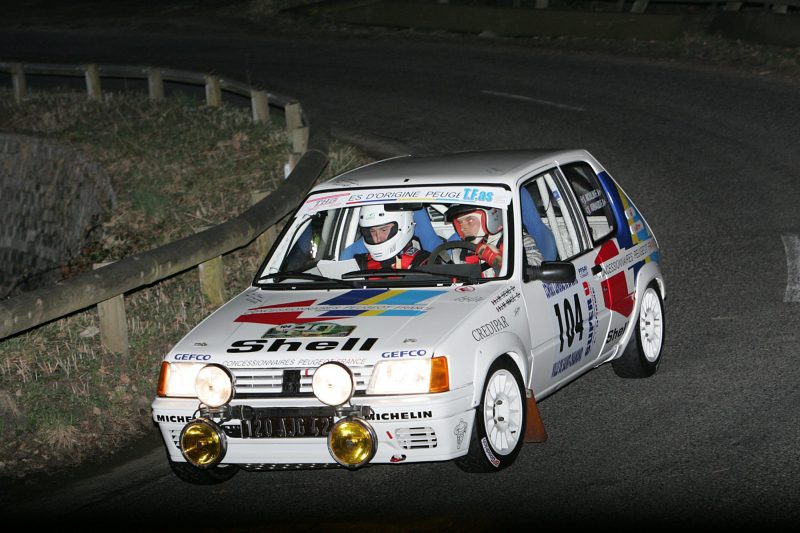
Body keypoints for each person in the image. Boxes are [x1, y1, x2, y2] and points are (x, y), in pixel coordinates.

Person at [444, 204, 542, 277]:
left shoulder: (519, 242)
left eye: (470, 220)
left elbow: (536, 270)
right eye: (460, 223)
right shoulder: (459, 251)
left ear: (491, 218)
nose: (462, 228)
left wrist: (499, 260)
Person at [353, 204, 430, 271]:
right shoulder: (359, 263)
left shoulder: (424, 262)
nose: (378, 238)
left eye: (384, 229)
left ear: (405, 227)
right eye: (372, 231)